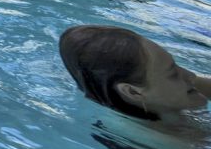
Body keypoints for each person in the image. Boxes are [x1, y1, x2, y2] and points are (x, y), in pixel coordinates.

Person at [60, 24, 211, 130]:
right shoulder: (156, 146)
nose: (190, 75)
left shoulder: (167, 93)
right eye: (173, 74)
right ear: (133, 92)